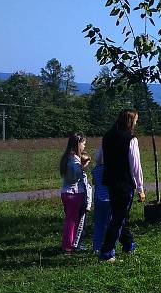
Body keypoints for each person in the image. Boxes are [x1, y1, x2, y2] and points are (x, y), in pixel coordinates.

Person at [99, 109, 146, 262]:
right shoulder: (131, 139)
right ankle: (106, 252)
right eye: (136, 120)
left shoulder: (107, 136)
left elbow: (99, 157)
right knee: (118, 218)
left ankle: (128, 243)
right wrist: (140, 188)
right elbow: (135, 166)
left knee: (119, 214)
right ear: (131, 121)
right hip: (125, 183)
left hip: (111, 181)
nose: (137, 122)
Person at [59, 132, 91, 254]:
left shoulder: (68, 157)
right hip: (74, 193)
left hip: (67, 192)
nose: (84, 146)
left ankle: (71, 244)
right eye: (83, 143)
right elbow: (75, 177)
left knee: (71, 220)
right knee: (72, 221)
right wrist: (83, 167)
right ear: (78, 144)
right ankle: (69, 246)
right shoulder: (74, 161)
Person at [91, 148, 110, 253]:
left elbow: (94, 182)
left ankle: (96, 246)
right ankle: (108, 244)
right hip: (109, 200)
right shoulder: (110, 170)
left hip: (98, 199)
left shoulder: (96, 169)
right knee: (109, 224)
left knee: (98, 224)